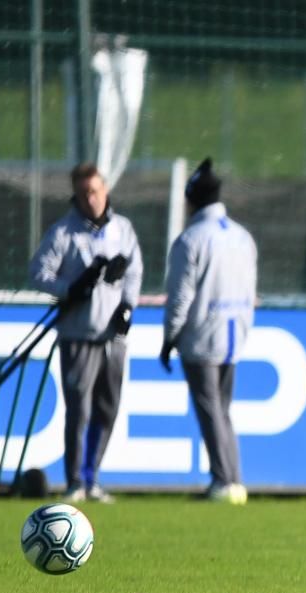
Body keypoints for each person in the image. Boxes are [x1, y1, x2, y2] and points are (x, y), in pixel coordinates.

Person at [29, 162, 143, 503]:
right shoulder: (64, 232)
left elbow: (134, 270)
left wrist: (127, 306)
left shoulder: (122, 229)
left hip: (114, 336)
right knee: (80, 408)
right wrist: (69, 288)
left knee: (108, 407)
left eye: (94, 191)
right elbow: (38, 273)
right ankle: (75, 479)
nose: (90, 199)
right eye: (83, 193)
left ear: (105, 190)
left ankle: (93, 477)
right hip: (79, 333)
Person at [160, 158, 257, 505]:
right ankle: (235, 479)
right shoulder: (242, 237)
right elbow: (249, 291)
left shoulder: (191, 239)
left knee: (210, 408)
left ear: (192, 199)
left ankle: (223, 481)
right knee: (223, 409)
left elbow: (180, 296)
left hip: (202, 336)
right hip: (234, 334)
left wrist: (170, 336)